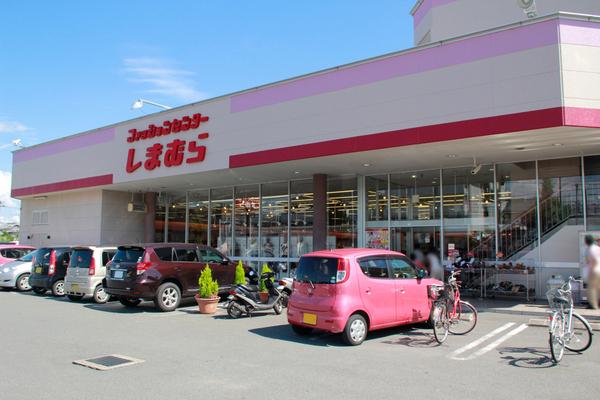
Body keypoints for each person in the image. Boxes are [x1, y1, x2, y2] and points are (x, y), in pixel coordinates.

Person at [584, 235, 600, 309]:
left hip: (594, 270)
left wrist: (591, 269)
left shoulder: (590, 249)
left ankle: (593, 305)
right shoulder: (597, 248)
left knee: (592, 288)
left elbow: (592, 260)